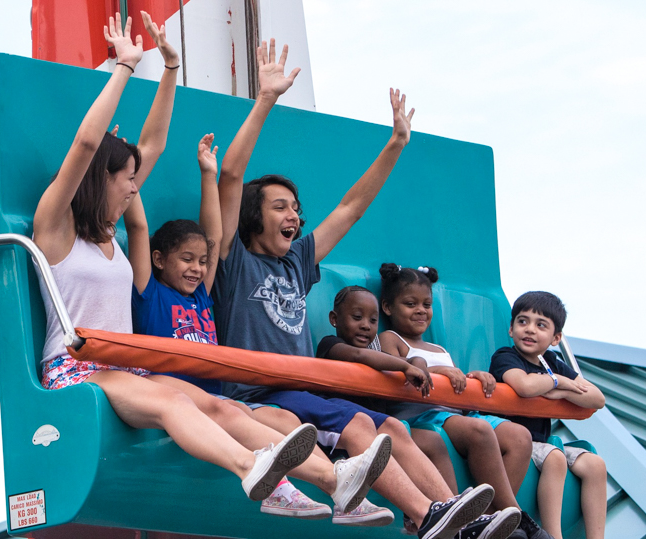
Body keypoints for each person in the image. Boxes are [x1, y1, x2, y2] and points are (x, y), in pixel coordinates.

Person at [212, 38, 504, 539]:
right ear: (253, 215)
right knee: (365, 430)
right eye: (280, 207)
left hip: (307, 390)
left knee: (396, 428)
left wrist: (395, 145)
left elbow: (350, 209)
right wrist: (266, 99)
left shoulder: (297, 262)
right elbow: (232, 173)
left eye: (296, 208)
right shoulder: (233, 263)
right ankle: (426, 515)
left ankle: (459, 518)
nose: (294, 216)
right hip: (265, 396)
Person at [32, 11, 320, 510]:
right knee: (177, 401)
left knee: (218, 405)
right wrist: (124, 68)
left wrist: (168, 70)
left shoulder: (115, 237)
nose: (134, 186)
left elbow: (152, 146)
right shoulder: (54, 228)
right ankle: (252, 471)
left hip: (127, 367)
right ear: (101, 178)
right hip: (75, 368)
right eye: (125, 178)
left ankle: (336, 482)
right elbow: (84, 145)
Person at [124, 133, 393, 524]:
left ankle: (324, 487)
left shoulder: (203, 296)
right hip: (195, 393)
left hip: (224, 398)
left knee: (282, 422)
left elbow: (212, 240)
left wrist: (207, 175)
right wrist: (135, 176)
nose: (198, 269)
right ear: (159, 259)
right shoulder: (150, 293)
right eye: (186, 259)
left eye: (203, 262)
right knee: (238, 414)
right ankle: (329, 484)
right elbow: (140, 227)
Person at [320, 284, 532, 539]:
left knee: (433, 440)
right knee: (430, 437)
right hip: (349, 429)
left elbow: (414, 363)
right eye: (357, 318)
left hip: (383, 426)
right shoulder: (332, 345)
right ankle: (454, 517)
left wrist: (416, 365)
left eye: (372, 320)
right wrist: (407, 366)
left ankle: (453, 512)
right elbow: (358, 356)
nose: (366, 325)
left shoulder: (385, 353)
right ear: (334, 319)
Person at [377, 265, 553, 539]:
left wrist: (474, 378)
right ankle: (516, 517)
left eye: (427, 304)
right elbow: (395, 373)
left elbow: (455, 385)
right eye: (410, 304)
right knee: (479, 431)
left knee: (519, 435)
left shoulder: (440, 349)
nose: (421, 310)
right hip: (423, 415)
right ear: (387, 307)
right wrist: (440, 373)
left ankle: (492, 519)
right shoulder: (391, 339)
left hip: (454, 413)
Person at [489, 292, 606, 539]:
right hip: (514, 442)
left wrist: (558, 391)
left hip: (540, 444)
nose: (530, 330)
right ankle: (552, 535)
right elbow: (524, 386)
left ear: (556, 338)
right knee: (554, 456)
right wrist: (558, 381)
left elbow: (596, 398)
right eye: (523, 321)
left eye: (540, 325)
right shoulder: (506, 357)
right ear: (511, 329)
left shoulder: (550, 361)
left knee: (595, 464)